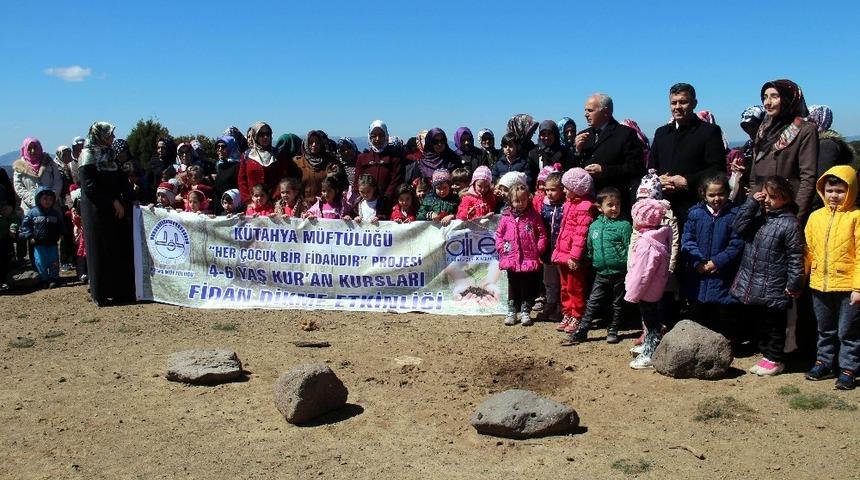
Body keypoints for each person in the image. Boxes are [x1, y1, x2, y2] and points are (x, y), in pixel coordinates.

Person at [731, 176, 805, 376]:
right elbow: (737, 226)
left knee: (774, 324)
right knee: (762, 320)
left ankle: (775, 359)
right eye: (765, 196)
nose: (768, 201)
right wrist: (751, 202)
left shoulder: (789, 223)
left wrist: (794, 284)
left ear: (786, 198)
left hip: (775, 283)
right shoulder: (758, 217)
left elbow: (796, 256)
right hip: (755, 280)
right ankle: (766, 356)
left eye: (773, 197)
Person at [803, 166, 860, 390]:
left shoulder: (856, 216)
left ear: (851, 190)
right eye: (829, 190)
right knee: (824, 328)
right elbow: (807, 250)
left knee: (848, 331)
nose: (834, 195)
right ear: (822, 191)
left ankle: (848, 368)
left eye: (840, 191)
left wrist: (858, 288)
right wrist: (800, 279)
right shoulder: (815, 217)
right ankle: (824, 362)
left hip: (847, 286)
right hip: (819, 284)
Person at [648, 83, 727, 228]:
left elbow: (717, 169)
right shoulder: (661, 133)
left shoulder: (709, 132)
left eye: (683, 102)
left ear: (694, 104)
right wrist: (659, 180)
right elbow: (652, 167)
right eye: (674, 103)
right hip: (664, 209)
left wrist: (686, 181)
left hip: (696, 207)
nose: (677, 107)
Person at [680, 174, 745, 338]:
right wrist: (698, 262)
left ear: (728, 193)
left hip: (723, 275)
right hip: (698, 276)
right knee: (698, 316)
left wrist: (716, 262)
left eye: (721, 194)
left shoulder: (734, 215)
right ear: (704, 195)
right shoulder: (695, 214)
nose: (717, 199)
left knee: (722, 318)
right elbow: (687, 240)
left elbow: (736, 244)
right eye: (712, 195)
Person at [78, 121, 135, 305]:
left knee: (117, 247)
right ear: (99, 135)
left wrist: (131, 199)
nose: (113, 138)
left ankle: (121, 291)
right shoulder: (87, 155)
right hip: (96, 210)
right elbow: (90, 186)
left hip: (115, 210)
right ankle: (101, 293)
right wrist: (113, 201)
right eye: (109, 134)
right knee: (100, 249)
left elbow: (121, 179)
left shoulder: (109, 154)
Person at [566, 187, 632, 345]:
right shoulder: (594, 226)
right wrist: (586, 261)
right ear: (599, 207)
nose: (614, 208)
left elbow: (630, 247)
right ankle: (582, 330)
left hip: (619, 272)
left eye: (617, 205)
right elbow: (590, 247)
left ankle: (613, 330)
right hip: (601, 272)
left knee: (617, 304)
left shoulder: (624, 225)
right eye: (610, 205)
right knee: (593, 301)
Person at [749, 79, 818, 221]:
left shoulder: (804, 129)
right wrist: (751, 204)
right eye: (765, 97)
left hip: (787, 208)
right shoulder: (763, 130)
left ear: (788, 99)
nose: (767, 102)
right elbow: (754, 176)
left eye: (775, 96)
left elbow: (808, 178)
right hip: (761, 208)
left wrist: (796, 216)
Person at [625, 198, 673, 369]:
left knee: (651, 322)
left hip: (646, 289)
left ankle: (651, 354)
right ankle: (649, 345)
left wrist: (632, 293)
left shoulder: (647, 242)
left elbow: (642, 272)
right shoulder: (657, 236)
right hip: (653, 288)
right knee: (650, 319)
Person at [572, 93, 645, 206]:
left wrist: (604, 171)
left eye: (590, 110)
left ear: (606, 111)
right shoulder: (583, 135)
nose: (585, 114)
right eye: (585, 110)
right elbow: (573, 169)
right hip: (587, 202)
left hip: (615, 203)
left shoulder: (625, 134)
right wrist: (577, 151)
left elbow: (636, 167)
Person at [551, 168, 597, 334]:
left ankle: (577, 315)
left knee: (575, 287)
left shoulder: (585, 207)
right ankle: (567, 312)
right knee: (564, 286)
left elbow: (581, 235)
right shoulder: (569, 203)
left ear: (576, 188)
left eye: (566, 187)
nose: (563, 190)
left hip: (573, 255)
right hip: (563, 251)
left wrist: (575, 256)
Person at [496, 182, 547, 326]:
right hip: (511, 257)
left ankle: (525, 310)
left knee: (527, 285)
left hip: (528, 258)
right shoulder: (506, 217)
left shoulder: (534, 216)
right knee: (513, 284)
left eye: (523, 200)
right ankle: (512, 310)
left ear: (528, 199)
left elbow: (542, 234)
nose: (520, 203)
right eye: (517, 200)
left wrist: (538, 249)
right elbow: (499, 234)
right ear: (510, 201)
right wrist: (501, 247)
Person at [806, 105, 859, 209]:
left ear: (818, 121)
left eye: (810, 120)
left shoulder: (826, 145)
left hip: (820, 207)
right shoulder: (819, 143)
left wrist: (807, 208)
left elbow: (820, 180)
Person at [238, 122, 296, 205]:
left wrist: (275, 198)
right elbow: (242, 181)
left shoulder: (278, 154)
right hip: (253, 204)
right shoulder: (247, 156)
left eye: (268, 134)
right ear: (255, 136)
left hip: (275, 203)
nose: (265, 137)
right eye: (261, 134)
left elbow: (283, 178)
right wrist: (249, 201)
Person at [535, 171, 565, 323]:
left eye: (553, 190)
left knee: (562, 280)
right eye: (547, 190)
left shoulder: (566, 206)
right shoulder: (544, 206)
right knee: (549, 280)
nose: (549, 193)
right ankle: (550, 303)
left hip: (562, 250)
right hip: (548, 250)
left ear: (562, 189)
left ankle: (561, 306)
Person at [19, 187, 61, 288]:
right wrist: (30, 236)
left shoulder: (55, 213)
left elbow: (60, 225)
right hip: (39, 243)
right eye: (45, 199)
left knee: (54, 261)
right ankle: (43, 279)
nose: (47, 201)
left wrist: (61, 234)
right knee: (40, 262)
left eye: (50, 199)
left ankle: (54, 278)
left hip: (52, 242)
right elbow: (25, 226)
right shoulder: (33, 212)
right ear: (39, 199)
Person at [354, 120, 404, 202]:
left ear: (386, 136)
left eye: (381, 135)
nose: (377, 139)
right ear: (369, 137)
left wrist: (386, 198)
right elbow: (357, 181)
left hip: (388, 202)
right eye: (374, 136)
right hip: (366, 201)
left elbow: (396, 180)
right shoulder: (362, 157)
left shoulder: (395, 158)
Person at [13, 137, 63, 213]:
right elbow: (19, 187)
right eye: (29, 148)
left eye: (35, 147)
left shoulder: (50, 163)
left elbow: (58, 181)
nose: (32, 151)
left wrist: (50, 198)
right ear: (25, 149)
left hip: (52, 207)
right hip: (29, 208)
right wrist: (33, 201)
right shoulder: (19, 167)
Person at [295, 130, 335, 199]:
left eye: (317, 142)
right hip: (303, 204)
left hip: (326, 203)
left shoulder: (331, 162)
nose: (314, 145)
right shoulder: (298, 163)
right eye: (311, 142)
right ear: (306, 144)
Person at [212, 135, 241, 214]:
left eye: (223, 146)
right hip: (218, 207)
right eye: (218, 147)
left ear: (231, 147)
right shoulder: (220, 165)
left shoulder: (237, 166)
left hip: (230, 209)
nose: (220, 149)